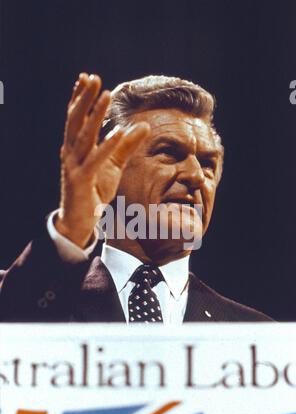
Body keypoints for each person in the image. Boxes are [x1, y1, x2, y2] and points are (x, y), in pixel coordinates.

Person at [0, 73, 273, 323]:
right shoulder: (34, 296)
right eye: (168, 152)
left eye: (207, 164)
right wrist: (71, 230)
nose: (196, 176)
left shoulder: (259, 334)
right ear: (109, 168)